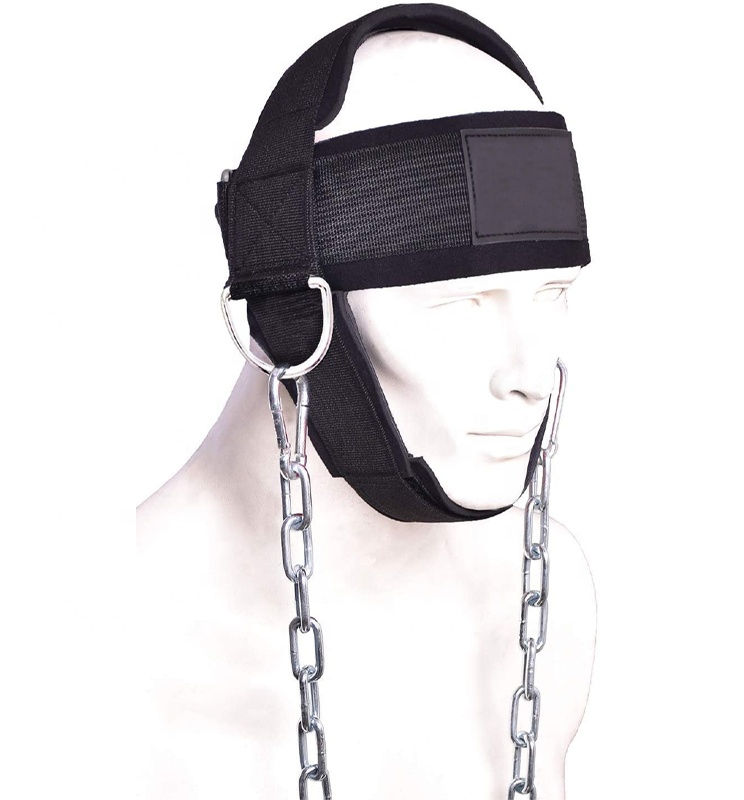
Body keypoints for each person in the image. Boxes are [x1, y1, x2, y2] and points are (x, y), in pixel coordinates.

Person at [137, 28, 596, 800]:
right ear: (289, 312)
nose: (531, 375)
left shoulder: (550, 597)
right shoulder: (112, 642)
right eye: (461, 304)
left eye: (553, 293)